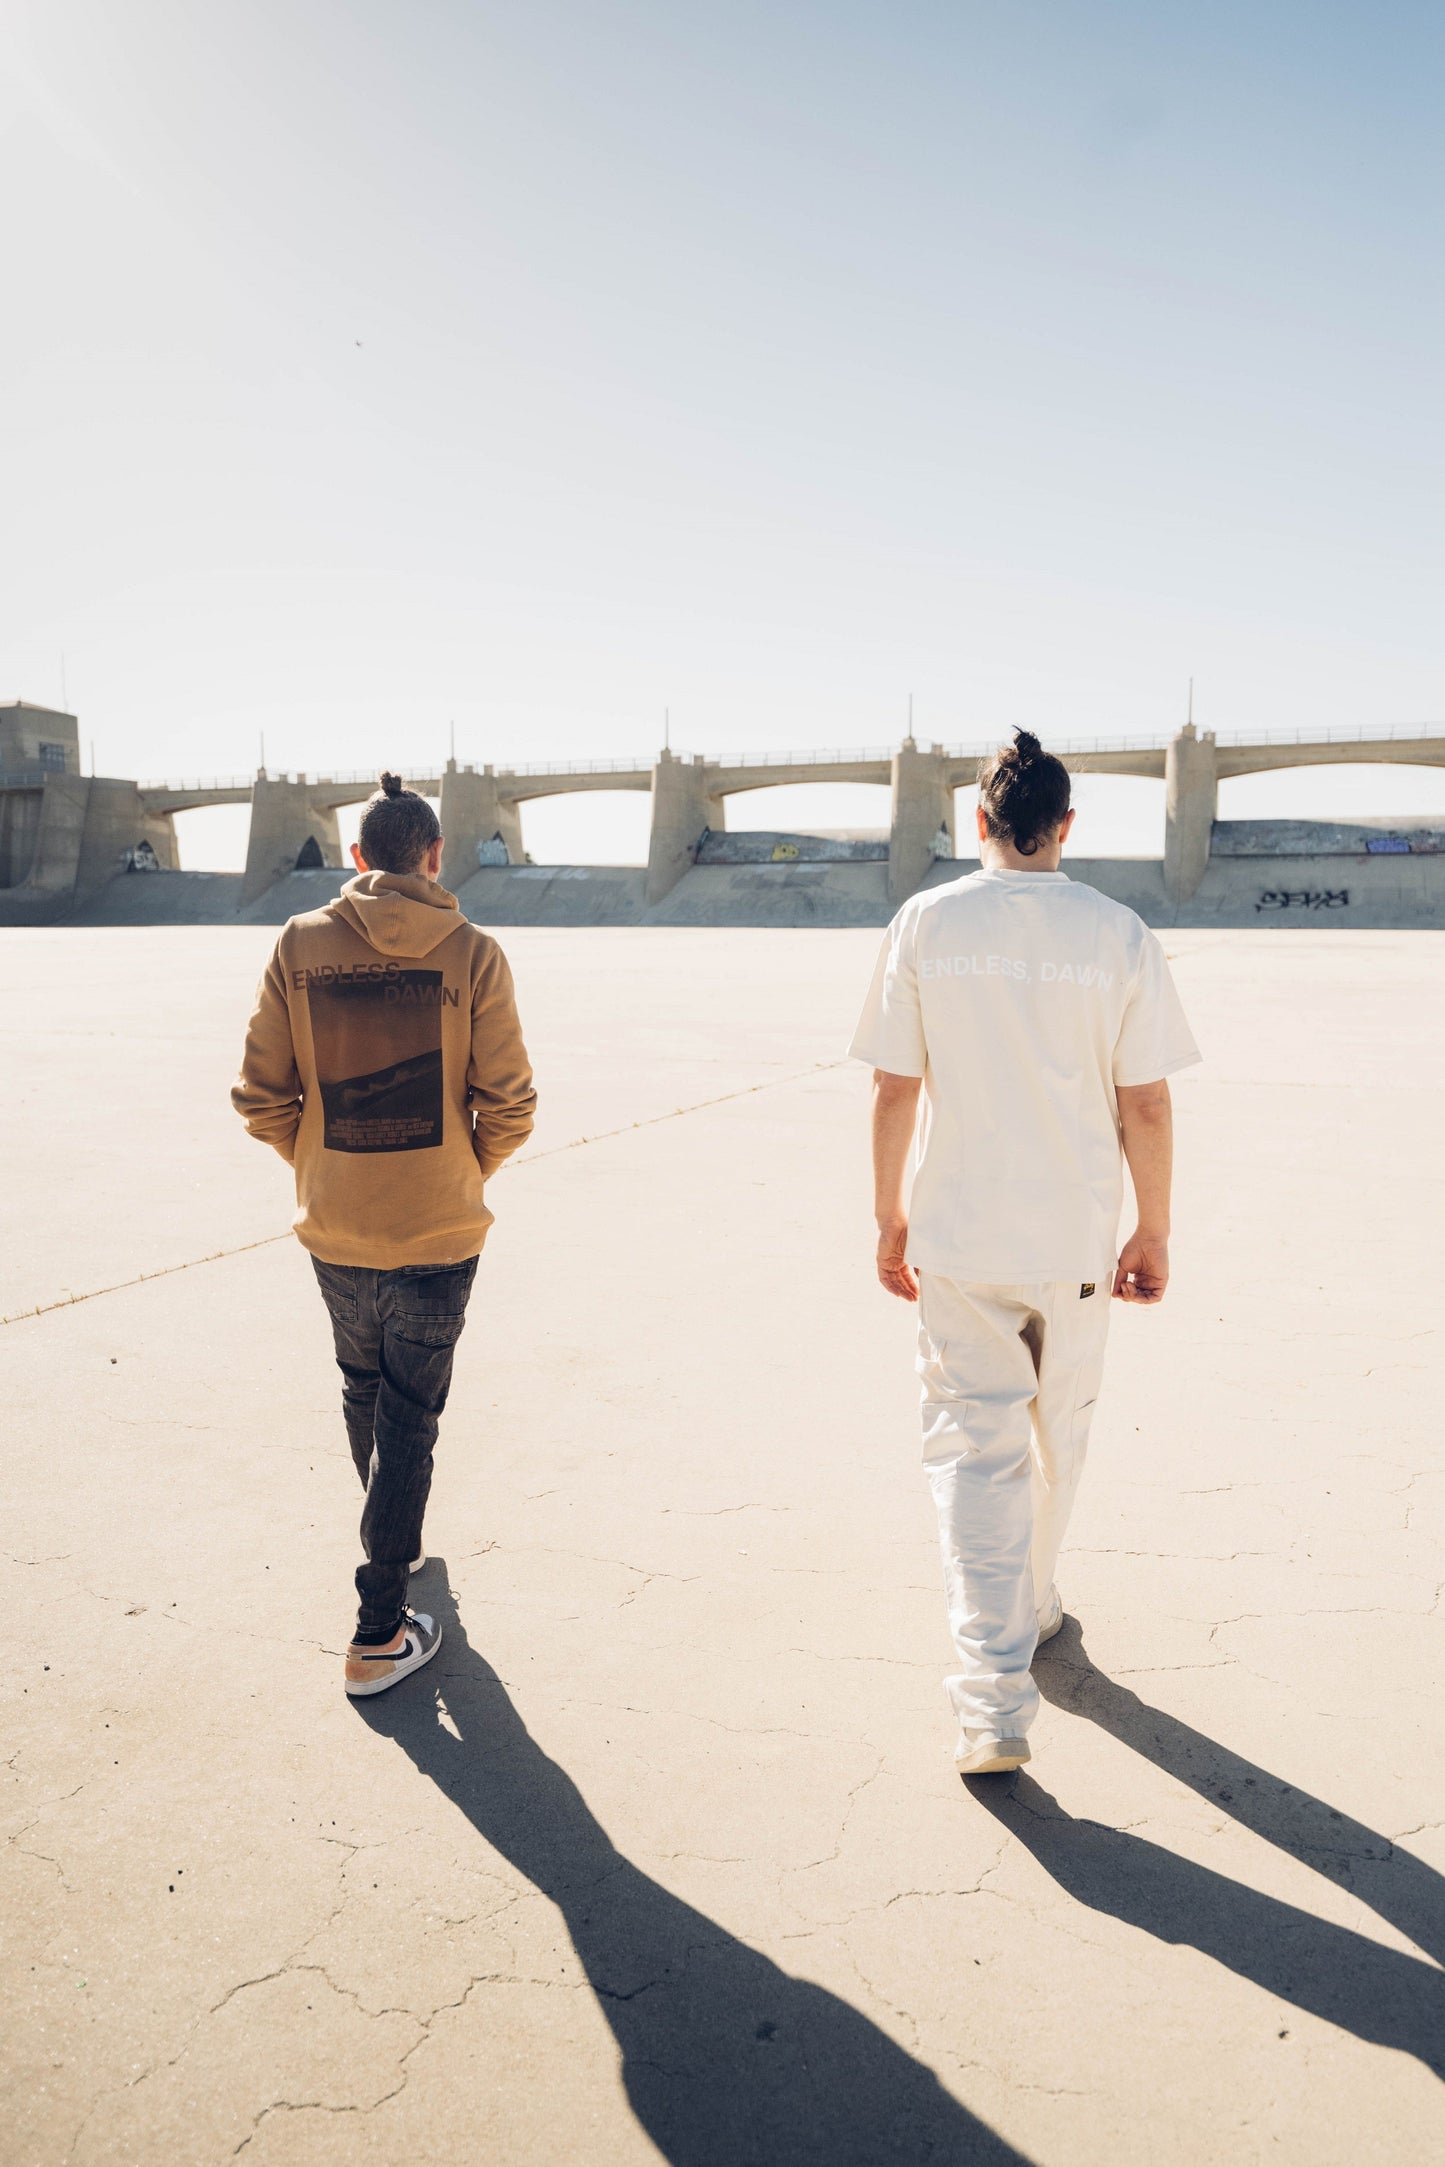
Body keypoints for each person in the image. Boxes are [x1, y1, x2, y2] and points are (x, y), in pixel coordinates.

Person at [849, 730, 1200, 1777]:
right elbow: (1144, 1096)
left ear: (980, 824)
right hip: (1074, 1242)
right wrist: (1152, 1226)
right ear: (1064, 828)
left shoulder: (927, 920)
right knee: (1060, 1441)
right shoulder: (1116, 932)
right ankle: (1013, 1646)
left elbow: (891, 1087)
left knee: (975, 1458)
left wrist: (887, 1217)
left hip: (958, 1236)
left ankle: (995, 1690)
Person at [232, 773, 536, 1697]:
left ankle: (391, 1546)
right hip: (441, 1228)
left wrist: (322, 1161)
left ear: (359, 857)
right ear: (434, 856)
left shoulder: (299, 942)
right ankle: (376, 1628)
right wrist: (459, 1171)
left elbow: (258, 1095)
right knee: (409, 1413)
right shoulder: (473, 950)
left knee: (366, 1389)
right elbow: (511, 1104)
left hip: (335, 1223)